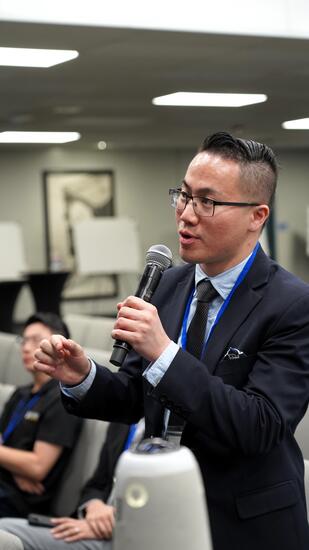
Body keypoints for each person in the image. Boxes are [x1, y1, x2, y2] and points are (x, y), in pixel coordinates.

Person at [33, 132, 309, 550]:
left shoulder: (291, 303)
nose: (186, 214)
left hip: (244, 523)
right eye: (182, 195)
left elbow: (260, 426)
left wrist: (164, 352)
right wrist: (82, 376)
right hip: (155, 506)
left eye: (207, 201)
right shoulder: (168, 284)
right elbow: (133, 398)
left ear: (257, 215)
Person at [0, 421, 142, 550]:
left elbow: (37, 468)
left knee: (4, 532)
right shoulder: (123, 422)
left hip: (128, 536)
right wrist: (94, 505)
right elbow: (96, 485)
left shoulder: (161, 428)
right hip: (93, 523)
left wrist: (114, 522)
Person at [0, 312, 82, 518]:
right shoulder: (21, 394)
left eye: (36, 340)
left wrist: (17, 465)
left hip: (20, 504)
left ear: (60, 347)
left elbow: (37, 467)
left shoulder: (63, 399)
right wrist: (16, 468)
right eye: (24, 340)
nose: (26, 348)